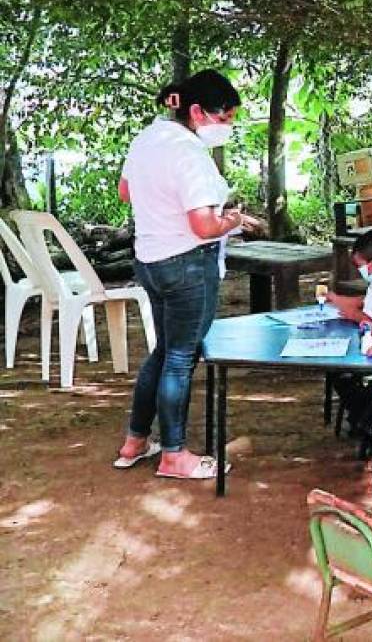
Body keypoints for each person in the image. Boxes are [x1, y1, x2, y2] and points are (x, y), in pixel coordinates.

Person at [113, 70, 261, 480]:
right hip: (188, 265)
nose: (227, 126)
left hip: (150, 259)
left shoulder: (148, 137)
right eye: (224, 118)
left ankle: (136, 440)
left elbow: (126, 191)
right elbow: (202, 225)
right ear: (197, 111)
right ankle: (174, 454)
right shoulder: (190, 153)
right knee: (180, 359)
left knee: (163, 353)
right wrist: (231, 221)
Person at [325, 230, 372, 327]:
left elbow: (369, 320)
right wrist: (339, 299)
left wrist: (348, 312)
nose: (359, 270)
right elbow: (369, 300)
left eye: (360, 266)